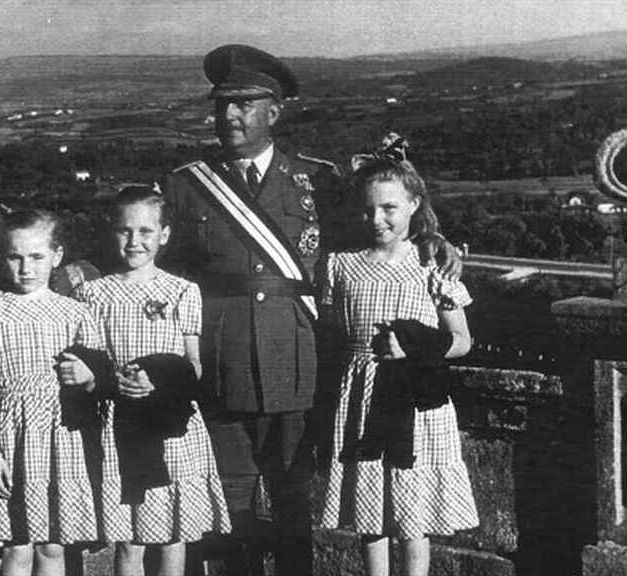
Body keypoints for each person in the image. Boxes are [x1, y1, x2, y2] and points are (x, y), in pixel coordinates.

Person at [159, 45, 461, 576]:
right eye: (223, 106)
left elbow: (381, 231)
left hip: (296, 358)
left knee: (293, 494)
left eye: (245, 105)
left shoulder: (318, 180)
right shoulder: (187, 185)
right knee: (231, 499)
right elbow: (151, 258)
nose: (230, 116)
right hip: (220, 355)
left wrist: (438, 241)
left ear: (274, 112)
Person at [318, 134, 478, 576]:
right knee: (371, 516)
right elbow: (333, 332)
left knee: (412, 517)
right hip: (360, 400)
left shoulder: (432, 265)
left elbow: (461, 339)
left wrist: (417, 346)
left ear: (413, 204)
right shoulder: (340, 265)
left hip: (414, 401)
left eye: (389, 208)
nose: (377, 219)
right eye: (368, 209)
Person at [73, 186, 231, 576]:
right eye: (125, 231)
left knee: (171, 533)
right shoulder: (92, 294)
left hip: (170, 422)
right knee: (130, 535)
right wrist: (107, 381)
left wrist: (159, 381)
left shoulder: (181, 291)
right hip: (118, 425)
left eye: (145, 231)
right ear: (112, 232)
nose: (134, 241)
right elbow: (89, 363)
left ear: (164, 234)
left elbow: (193, 365)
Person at [0, 209, 105, 576]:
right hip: (10, 440)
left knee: (53, 546)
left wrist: (89, 378)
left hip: (62, 440)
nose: (26, 267)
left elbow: (95, 384)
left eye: (37, 256)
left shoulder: (77, 314)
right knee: (15, 547)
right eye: (15, 256)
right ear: (2, 257)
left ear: (57, 256)